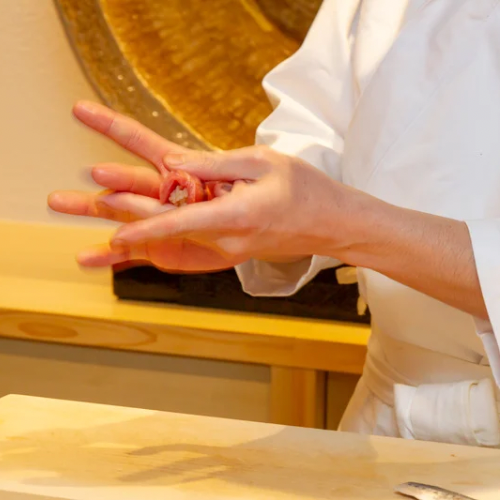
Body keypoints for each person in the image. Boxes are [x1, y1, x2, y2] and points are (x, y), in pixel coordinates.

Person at [48, 0, 500, 447]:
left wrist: (343, 223)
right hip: (387, 420)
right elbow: (318, 130)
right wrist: (241, 209)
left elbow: (339, 214)